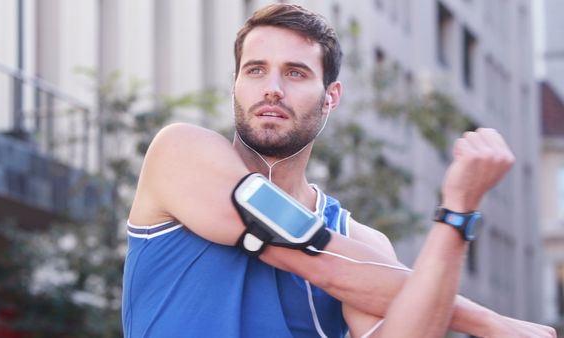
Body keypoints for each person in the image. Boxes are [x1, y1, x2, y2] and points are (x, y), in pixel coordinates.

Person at [122, 3, 556, 338]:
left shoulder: (363, 242)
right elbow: (309, 250)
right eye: (255, 70)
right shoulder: (179, 154)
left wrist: (458, 213)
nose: (272, 87)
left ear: (331, 96)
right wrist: (488, 321)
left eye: (295, 72)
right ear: (234, 85)